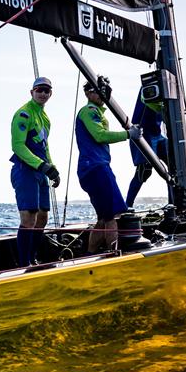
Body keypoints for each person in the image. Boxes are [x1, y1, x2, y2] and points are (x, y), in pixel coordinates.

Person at [75, 76, 142, 253]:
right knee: (113, 215)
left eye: (104, 90)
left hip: (90, 168)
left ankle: (90, 254)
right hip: (96, 167)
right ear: (88, 93)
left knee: (103, 218)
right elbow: (100, 135)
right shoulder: (89, 111)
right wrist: (129, 134)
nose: (102, 94)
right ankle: (114, 255)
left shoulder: (95, 111)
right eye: (98, 90)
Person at [10, 77, 61, 267]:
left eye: (47, 91)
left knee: (43, 217)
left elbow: (45, 147)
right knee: (29, 217)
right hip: (25, 171)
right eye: (39, 90)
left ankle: (32, 258)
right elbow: (18, 146)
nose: (43, 94)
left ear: (51, 94)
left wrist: (52, 169)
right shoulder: (24, 113)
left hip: (41, 172)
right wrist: (42, 165)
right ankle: (24, 263)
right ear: (31, 92)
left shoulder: (45, 118)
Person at [126, 94, 168, 207]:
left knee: (176, 168)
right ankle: (127, 207)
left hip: (158, 134)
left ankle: (174, 203)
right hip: (143, 134)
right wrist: (165, 111)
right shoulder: (149, 83)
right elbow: (147, 99)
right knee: (143, 171)